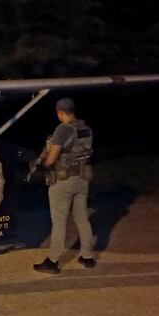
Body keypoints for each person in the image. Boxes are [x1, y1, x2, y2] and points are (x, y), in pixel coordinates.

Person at [33, 97, 96, 274]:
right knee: (82, 218)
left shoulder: (63, 129)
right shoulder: (85, 128)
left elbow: (51, 159)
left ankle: (53, 261)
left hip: (64, 180)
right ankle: (87, 256)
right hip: (82, 179)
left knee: (59, 222)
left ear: (60, 112)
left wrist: (42, 163)